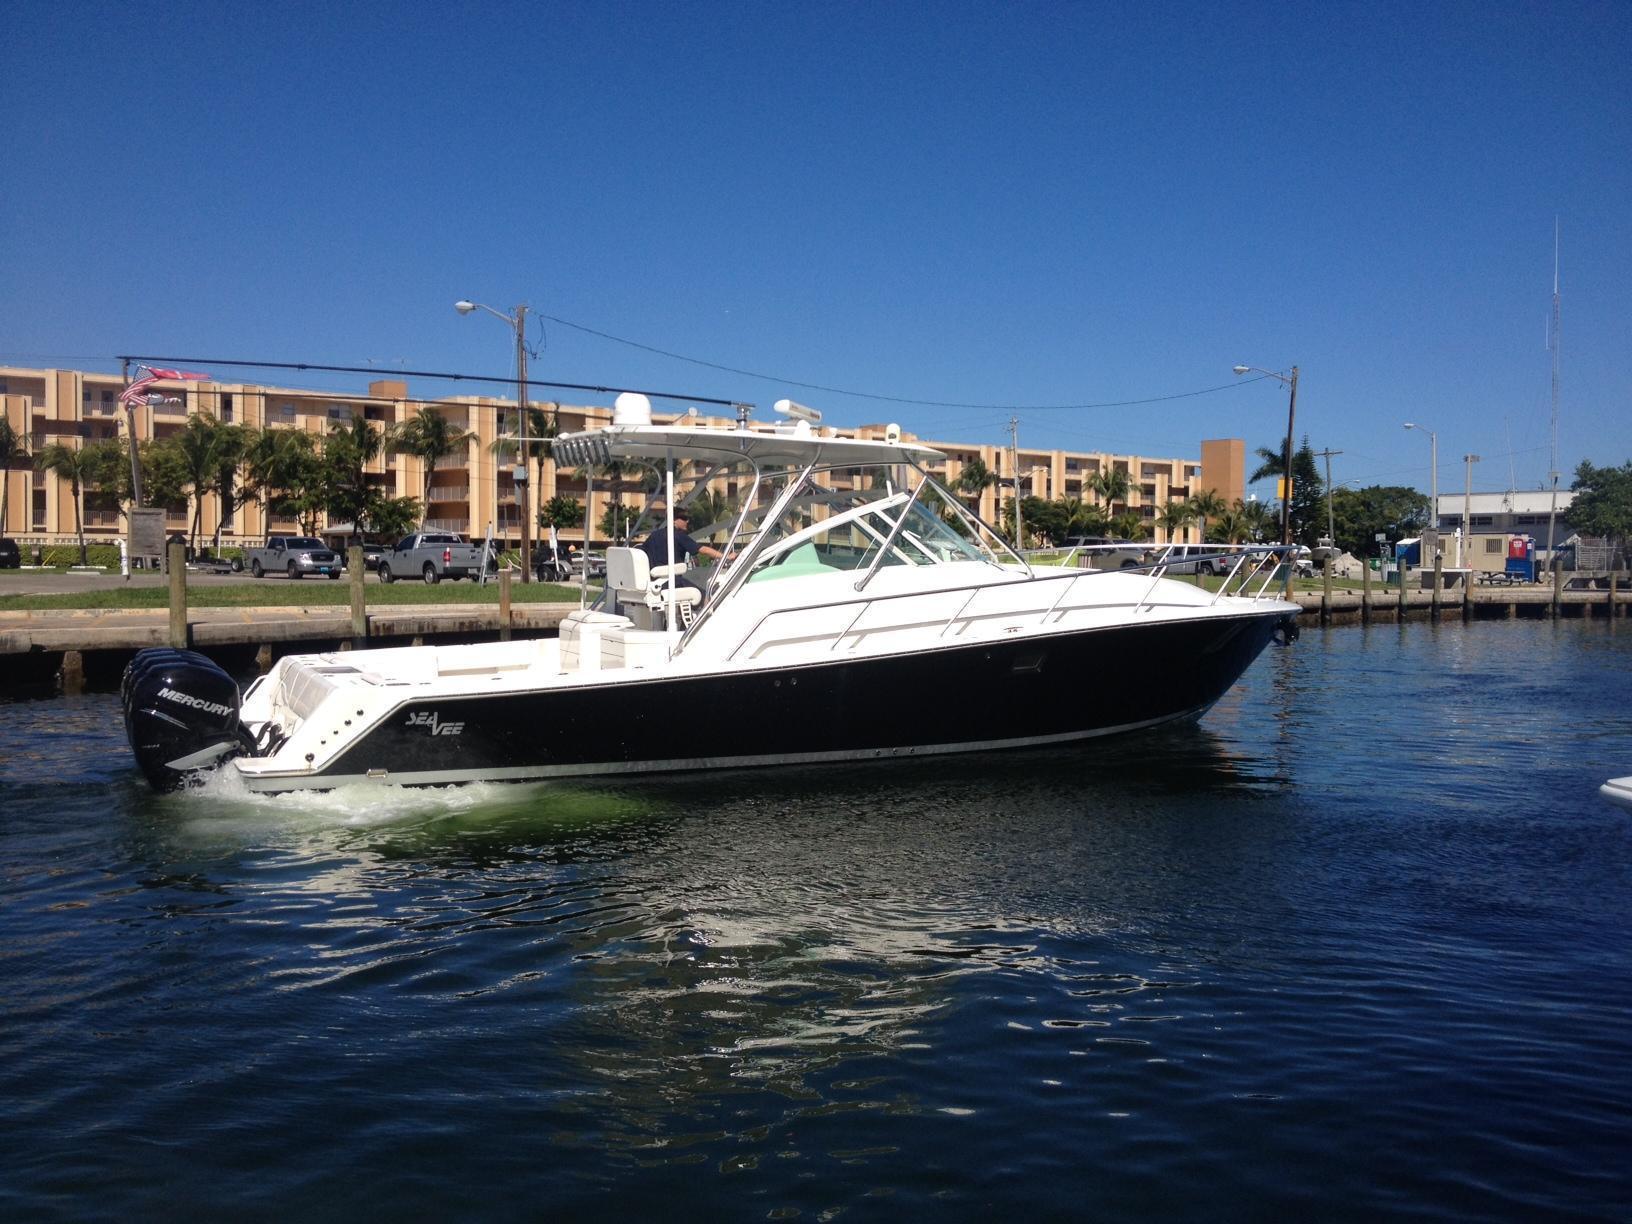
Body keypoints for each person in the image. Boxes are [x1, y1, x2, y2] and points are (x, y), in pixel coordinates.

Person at [639, 507, 721, 591]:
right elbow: (703, 549)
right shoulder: (678, 536)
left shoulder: (654, 535)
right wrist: (726, 556)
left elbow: (642, 551)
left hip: (655, 583)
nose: (687, 521)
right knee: (706, 595)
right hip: (674, 582)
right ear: (674, 520)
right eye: (684, 518)